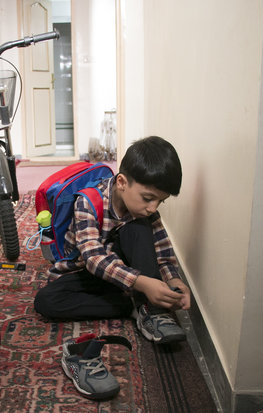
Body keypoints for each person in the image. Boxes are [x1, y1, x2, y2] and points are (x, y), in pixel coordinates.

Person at [34, 136, 192, 399]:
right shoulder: (86, 202)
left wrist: (174, 281)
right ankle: (133, 306)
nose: (153, 207)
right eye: (148, 198)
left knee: (139, 228)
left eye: (159, 202)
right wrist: (143, 283)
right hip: (88, 271)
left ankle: (149, 310)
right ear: (121, 182)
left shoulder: (146, 212)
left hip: (126, 272)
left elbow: (163, 252)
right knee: (46, 301)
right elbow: (94, 259)